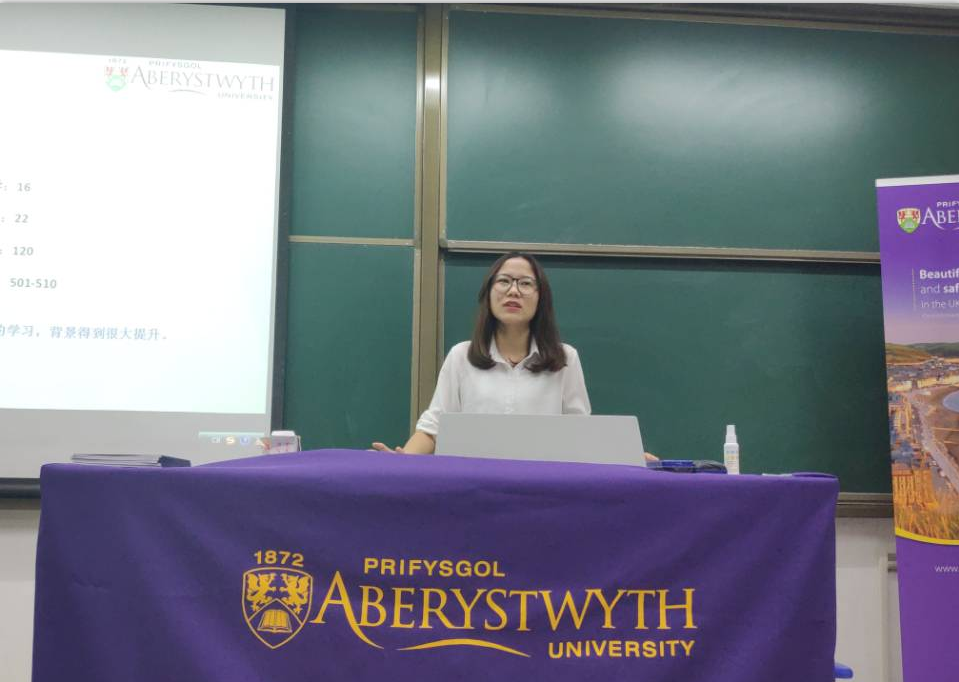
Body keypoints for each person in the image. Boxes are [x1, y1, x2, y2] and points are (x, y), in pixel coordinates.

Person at [372, 252, 589, 454]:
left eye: (525, 283)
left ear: (541, 297)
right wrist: (401, 463)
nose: (513, 291)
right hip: (474, 479)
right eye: (504, 281)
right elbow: (434, 428)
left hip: (541, 479)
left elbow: (580, 433)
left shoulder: (565, 359)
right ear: (488, 294)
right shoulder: (461, 356)